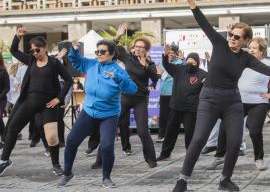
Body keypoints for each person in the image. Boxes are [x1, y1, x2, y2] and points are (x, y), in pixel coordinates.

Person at [172, 0, 270, 191]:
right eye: (231, 35)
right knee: (198, 139)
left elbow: (265, 69)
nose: (232, 39)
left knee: (235, 143)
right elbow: (202, 21)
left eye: (237, 37)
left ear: (245, 41)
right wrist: (190, 0)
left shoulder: (245, 57)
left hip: (232, 101)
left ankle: (225, 179)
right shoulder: (218, 42)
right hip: (209, 98)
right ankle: (182, 180)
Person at [58, 40, 137, 188]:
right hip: (89, 111)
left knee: (107, 146)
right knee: (71, 141)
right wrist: (74, 51)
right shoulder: (92, 64)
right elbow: (76, 61)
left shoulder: (118, 70)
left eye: (103, 52)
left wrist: (117, 78)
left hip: (109, 114)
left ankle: (106, 177)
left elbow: (132, 89)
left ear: (112, 54)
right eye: (97, 51)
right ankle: (67, 173)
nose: (99, 54)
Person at [0, 27, 72, 176]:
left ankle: (56, 165)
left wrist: (59, 98)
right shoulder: (31, 60)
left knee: (52, 137)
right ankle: (4, 160)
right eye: (32, 51)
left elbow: (69, 80)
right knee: (12, 128)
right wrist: (17, 37)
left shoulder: (54, 63)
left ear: (45, 48)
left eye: (37, 50)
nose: (35, 53)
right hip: (29, 101)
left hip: (48, 104)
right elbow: (14, 51)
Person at [209, 37, 270, 171]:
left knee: (255, 131)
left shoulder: (269, 64)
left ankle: (259, 159)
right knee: (224, 126)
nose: (251, 50)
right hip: (237, 100)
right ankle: (219, 157)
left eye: (255, 48)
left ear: (262, 51)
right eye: (250, 48)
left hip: (258, 102)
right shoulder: (243, 60)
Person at [114, 23, 159, 168]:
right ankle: (100, 160)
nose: (139, 49)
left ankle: (151, 160)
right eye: (137, 46)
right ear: (133, 47)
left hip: (140, 99)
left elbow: (155, 77)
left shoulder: (150, 63)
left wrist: (145, 65)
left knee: (142, 131)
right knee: (112, 126)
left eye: (142, 47)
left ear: (146, 50)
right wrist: (118, 35)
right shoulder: (127, 58)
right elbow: (112, 49)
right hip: (125, 97)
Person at [156, 47, 207, 161]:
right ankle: (165, 153)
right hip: (176, 107)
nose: (190, 64)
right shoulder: (179, 69)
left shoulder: (203, 74)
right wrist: (165, 56)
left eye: (193, 62)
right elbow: (167, 66)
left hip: (191, 109)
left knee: (190, 132)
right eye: (188, 61)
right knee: (170, 131)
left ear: (197, 63)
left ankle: (191, 154)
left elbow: (210, 85)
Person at [156, 44, 184, 143]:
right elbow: (159, 74)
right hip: (163, 93)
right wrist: (166, 74)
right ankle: (161, 135)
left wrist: (166, 74)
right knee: (163, 115)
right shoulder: (162, 62)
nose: (171, 55)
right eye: (169, 53)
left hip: (174, 94)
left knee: (173, 116)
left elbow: (181, 75)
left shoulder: (180, 62)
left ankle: (170, 136)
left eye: (173, 53)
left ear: (176, 54)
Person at [0, 46, 10, 150]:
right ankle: (4, 138)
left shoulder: (3, 72)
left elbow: (7, 88)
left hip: (1, 99)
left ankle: (4, 138)